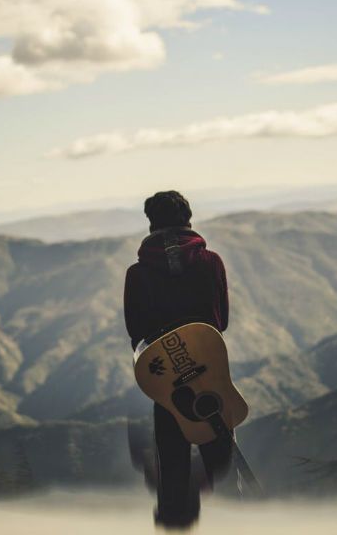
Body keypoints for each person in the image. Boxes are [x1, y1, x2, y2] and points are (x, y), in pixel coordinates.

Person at [123, 190, 234, 529]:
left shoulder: (137, 274)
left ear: (151, 224)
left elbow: (136, 331)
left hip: (165, 375)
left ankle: (174, 516)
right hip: (207, 367)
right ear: (188, 219)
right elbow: (220, 322)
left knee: (172, 453)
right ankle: (213, 513)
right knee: (219, 447)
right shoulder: (211, 262)